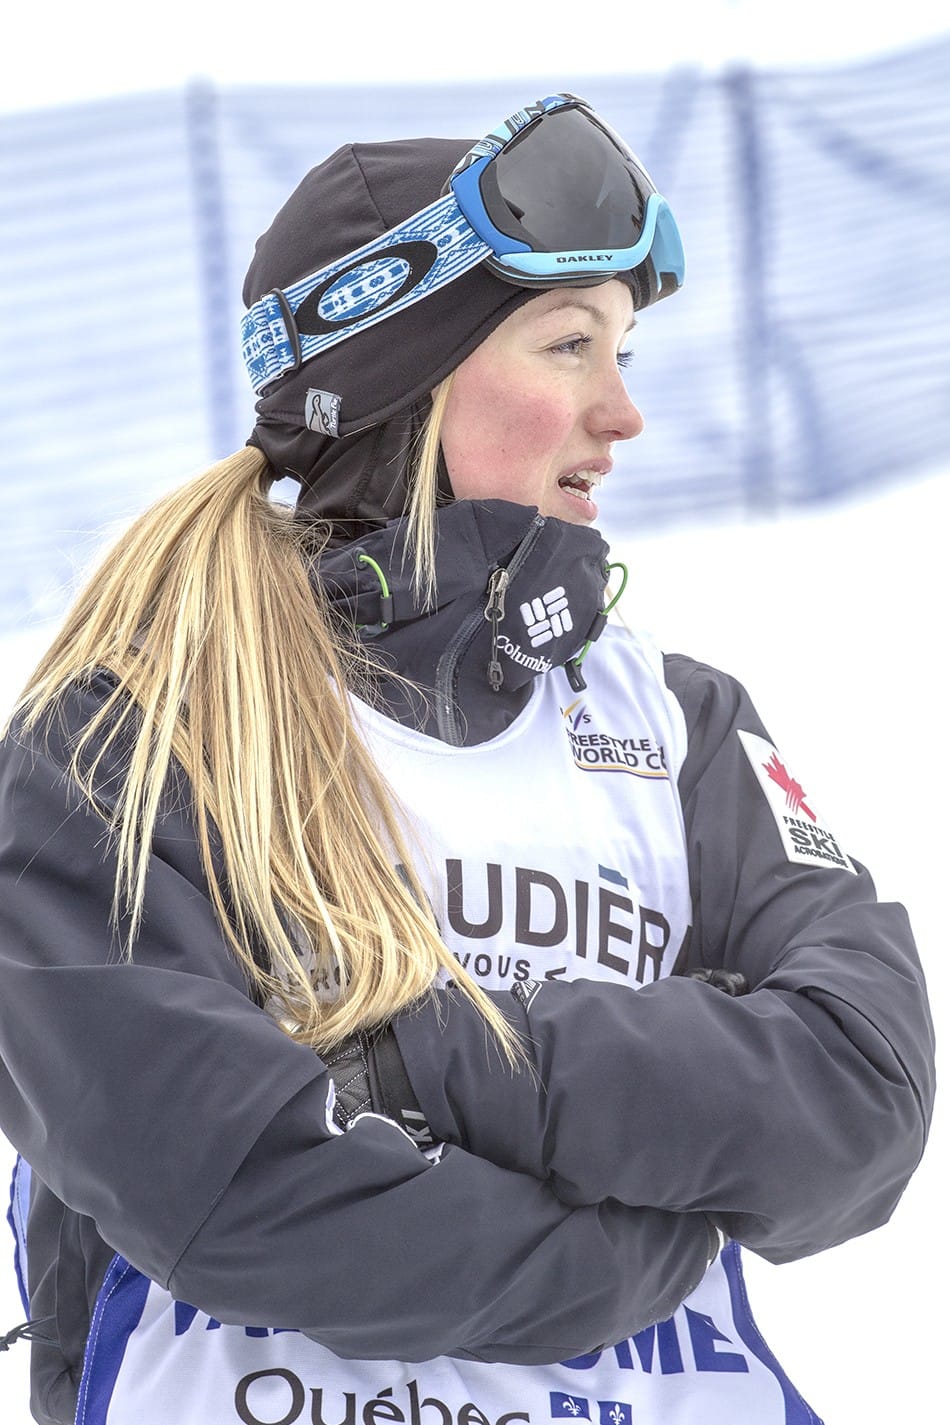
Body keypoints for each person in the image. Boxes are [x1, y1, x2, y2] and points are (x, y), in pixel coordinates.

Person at [0, 93, 934, 1425]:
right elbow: (230, 1189)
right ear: (398, 378)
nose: (623, 413)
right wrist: (633, 1249)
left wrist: (412, 1063)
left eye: (619, 353)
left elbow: (861, 1092)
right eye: (569, 346)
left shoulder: (675, 726)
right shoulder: (126, 746)